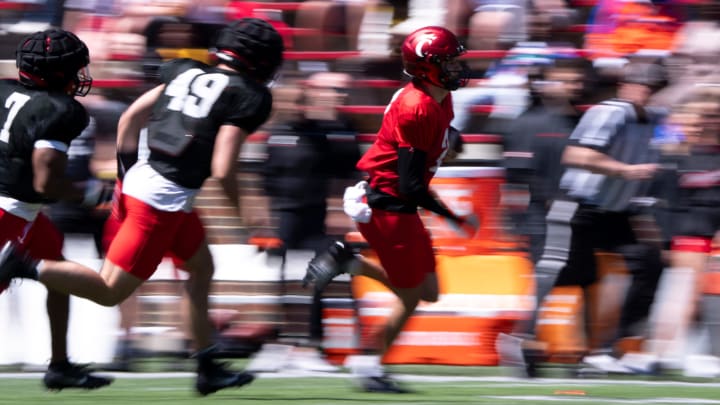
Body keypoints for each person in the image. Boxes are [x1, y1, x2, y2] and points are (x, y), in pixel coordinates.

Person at [0, 18, 284, 396]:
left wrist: (125, 175)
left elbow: (132, 117)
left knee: (201, 267)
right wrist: (245, 214)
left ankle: (205, 364)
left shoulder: (186, 71)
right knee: (109, 290)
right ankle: (24, 266)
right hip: (159, 201)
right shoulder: (249, 95)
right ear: (261, 61)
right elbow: (223, 165)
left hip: (152, 188)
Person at [301, 25, 478, 393]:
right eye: (449, 61)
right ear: (428, 66)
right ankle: (368, 366)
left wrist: (450, 141)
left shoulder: (437, 95)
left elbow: (438, 135)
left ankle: (349, 262)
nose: (458, 67)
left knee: (428, 292)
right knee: (413, 295)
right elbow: (411, 185)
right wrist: (455, 218)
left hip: (392, 203)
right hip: (390, 208)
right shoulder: (418, 106)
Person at [537, 60, 668, 373]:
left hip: (618, 211)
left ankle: (617, 347)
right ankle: (524, 337)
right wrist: (625, 171)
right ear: (625, 85)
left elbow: (670, 152)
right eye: (641, 84)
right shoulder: (610, 111)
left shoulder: (657, 117)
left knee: (649, 264)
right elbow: (576, 155)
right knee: (566, 276)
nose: (646, 91)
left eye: (652, 86)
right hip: (581, 206)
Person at [0, 28, 113, 390]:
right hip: (10, 213)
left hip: (25, 212)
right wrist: (89, 193)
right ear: (61, 72)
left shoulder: (5, 91)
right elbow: (46, 181)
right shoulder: (60, 110)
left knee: (56, 273)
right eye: (76, 68)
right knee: (44, 271)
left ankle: (60, 364)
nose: (82, 76)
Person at [495, 54, 592, 377]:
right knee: (547, 279)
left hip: (580, 216)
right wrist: (519, 220)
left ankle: (577, 352)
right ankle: (522, 340)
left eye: (577, 81)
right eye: (566, 80)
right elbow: (517, 177)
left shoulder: (582, 121)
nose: (574, 87)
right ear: (548, 84)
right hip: (545, 217)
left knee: (583, 282)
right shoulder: (528, 122)